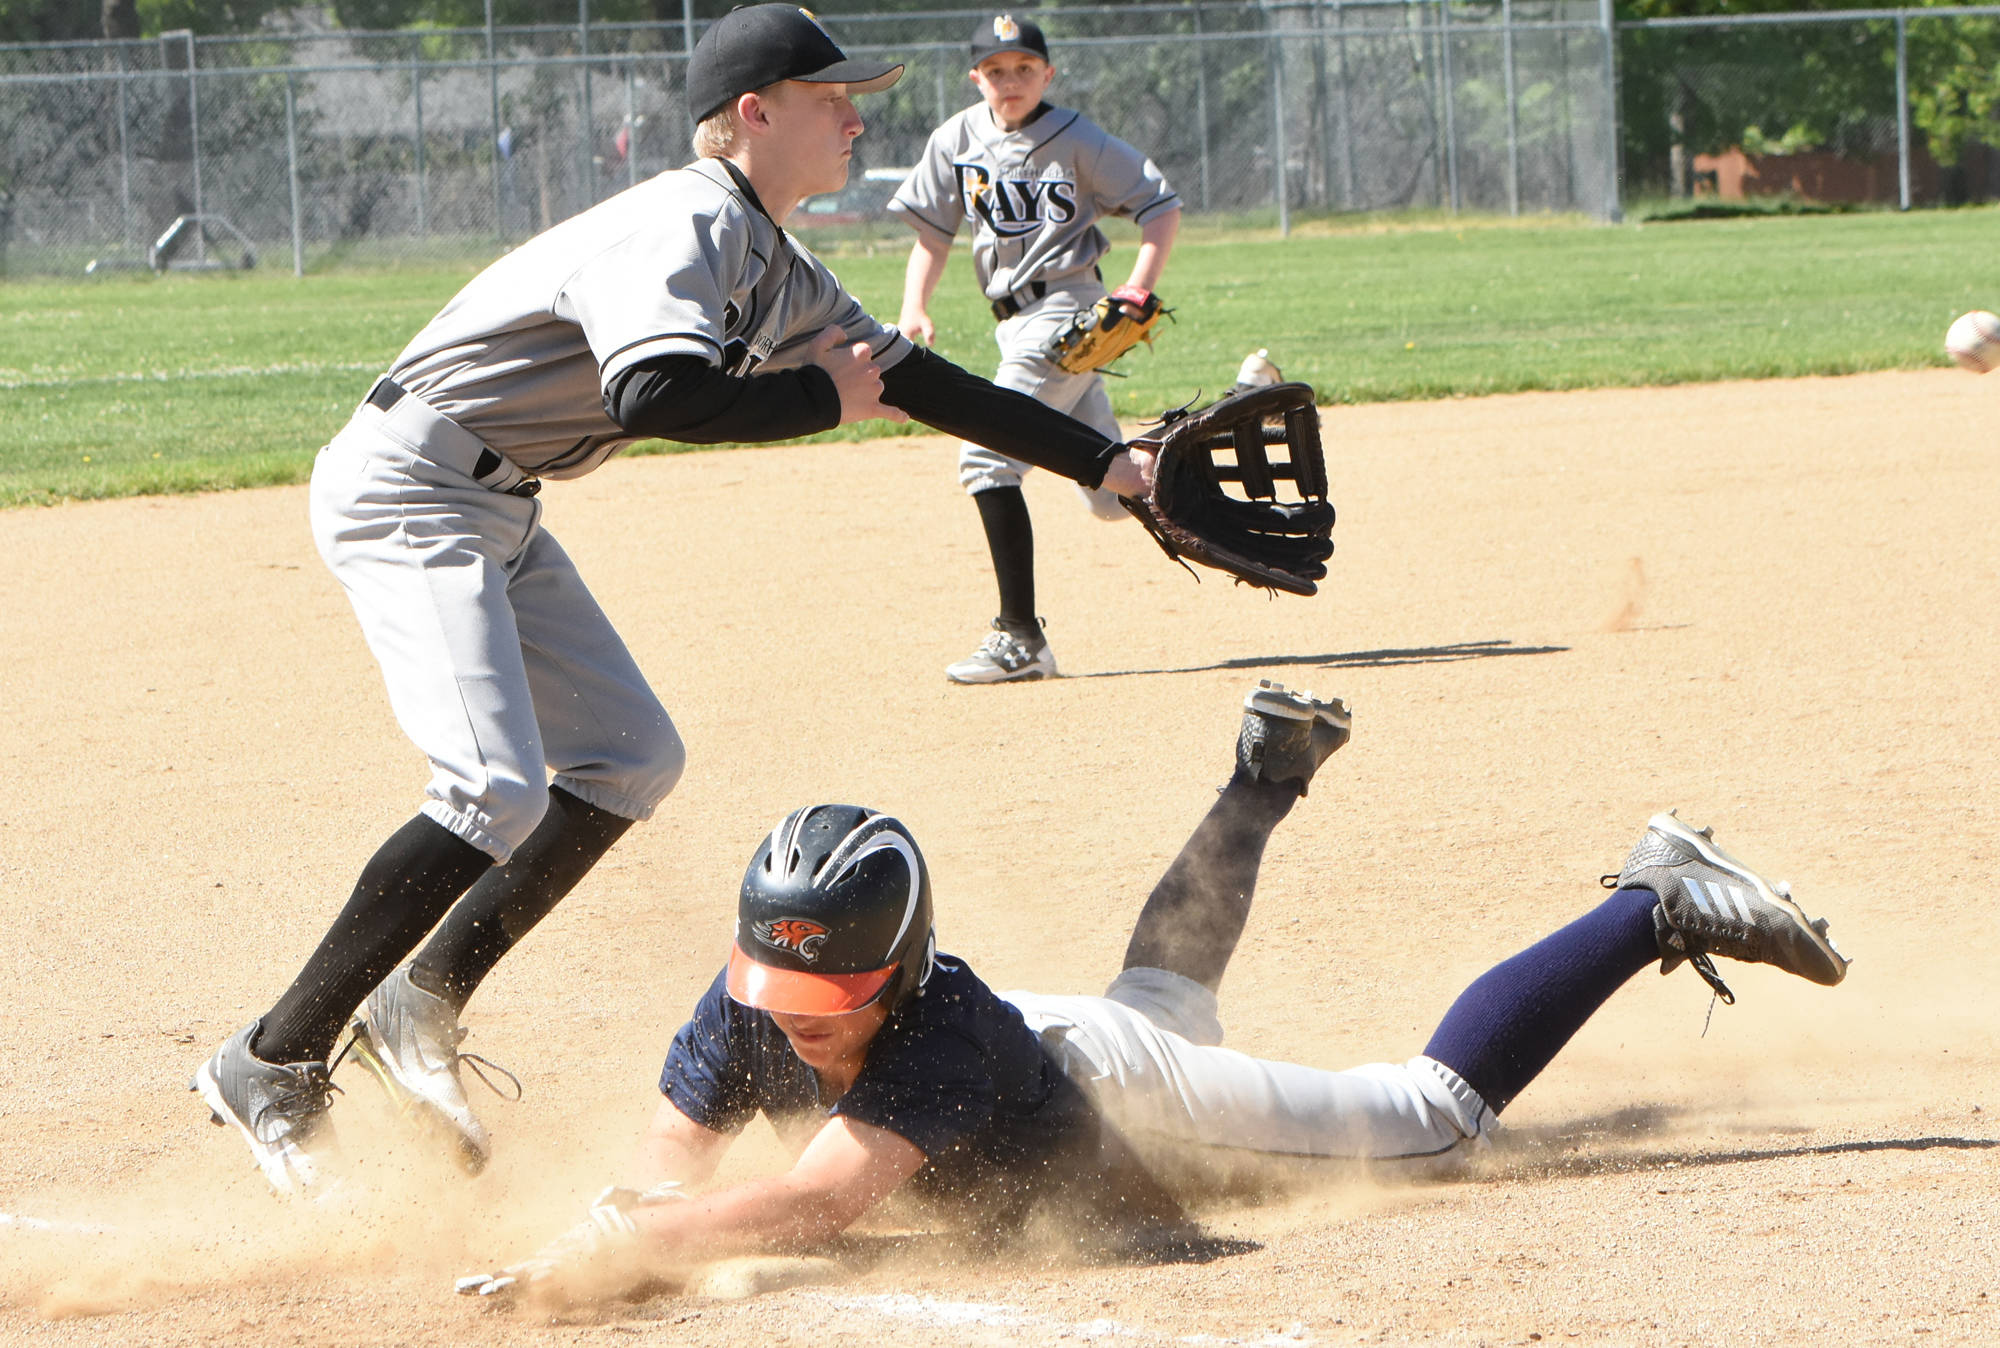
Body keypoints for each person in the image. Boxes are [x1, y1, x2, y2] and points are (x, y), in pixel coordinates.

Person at [190, 3, 1169, 1199]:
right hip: (413, 485)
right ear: (753, 114)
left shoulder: (773, 259)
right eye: (830, 98)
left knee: (627, 756)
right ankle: (273, 1056)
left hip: (494, 500)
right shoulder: (686, 217)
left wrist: (1113, 467)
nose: (857, 116)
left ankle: (421, 997)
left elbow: (924, 384)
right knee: (490, 788)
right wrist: (824, 402)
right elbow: (654, 389)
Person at [455, 683, 1850, 1303]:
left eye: (837, 990)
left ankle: (1650, 897)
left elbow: (821, 1202)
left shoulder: (940, 1039)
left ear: (906, 966)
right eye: (779, 986)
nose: (797, 1014)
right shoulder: (752, 998)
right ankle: (1259, 781)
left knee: (1432, 1118)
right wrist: (629, 1224)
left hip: (1129, 1103)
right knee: (1156, 989)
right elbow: (669, 1159)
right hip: (1078, 1042)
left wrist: (649, 1246)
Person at [889, 14, 1184, 684]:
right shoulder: (956, 138)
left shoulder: (1075, 136)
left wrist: (1138, 288)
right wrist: (915, 307)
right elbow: (932, 235)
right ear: (976, 77)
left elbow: (1159, 205)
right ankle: (1232, 418)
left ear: (1047, 74)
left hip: (1068, 312)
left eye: (1024, 68)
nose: (1011, 81)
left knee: (985, 458)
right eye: (996, 70)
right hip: (1011, 320)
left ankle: (1021, 637)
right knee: (1113, 492)